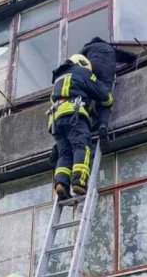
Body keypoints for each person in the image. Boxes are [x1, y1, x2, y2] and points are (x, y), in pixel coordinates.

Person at [47, 53, 113, 200]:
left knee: (65, 153)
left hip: (55, 120)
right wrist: (108, 101)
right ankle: (79, 182)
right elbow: (103, 94)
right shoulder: (82, 72)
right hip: (73, 115)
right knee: (81, 146)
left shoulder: (58, 79)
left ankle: (61, 184)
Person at [80, 37, 136, 143]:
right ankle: (103, 125)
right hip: (106, 71)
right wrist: (134, 57)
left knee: (86, 93)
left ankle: (91, 114)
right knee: (105, 98)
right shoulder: (110, 48)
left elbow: (75, 62)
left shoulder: (87, 48)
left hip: (91, 68)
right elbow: (128, 56)